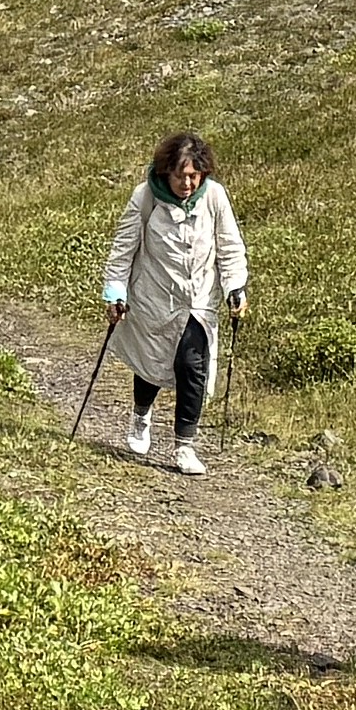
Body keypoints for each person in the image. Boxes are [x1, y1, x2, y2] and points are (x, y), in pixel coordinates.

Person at [100, 131, 246, 475]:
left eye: (194, 175)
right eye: (181, 175)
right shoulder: (145, 197)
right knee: (152, 364)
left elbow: (230, 247)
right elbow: (123, 251)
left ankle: (185, 446)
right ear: (167, 171)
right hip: (154, 298)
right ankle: (140, 415)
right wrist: (115, 292)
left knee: (192, 367)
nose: (187, 183)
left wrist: (235, 288)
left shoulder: (214, 197)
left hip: (198, 301)